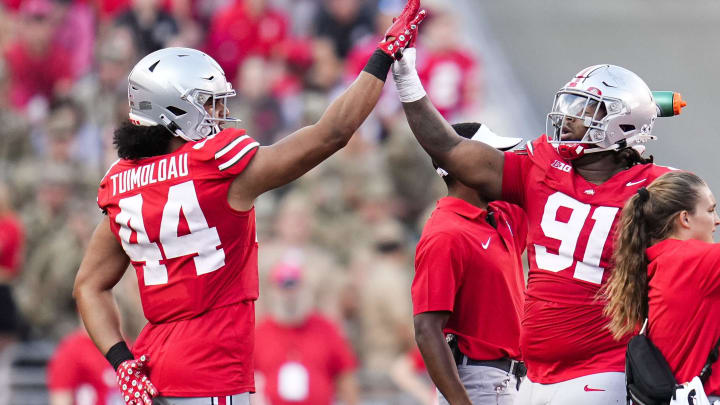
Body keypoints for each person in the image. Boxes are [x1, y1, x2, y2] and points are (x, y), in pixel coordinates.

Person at [72, 2, 427, 404]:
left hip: (154, 376)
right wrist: (382, 58)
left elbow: (88, 285)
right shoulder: (216, 169)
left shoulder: (123, 184)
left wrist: (122, 363)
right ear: (172, 109)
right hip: (209, 375)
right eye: (207, 103)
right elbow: (332, 134)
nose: (220, 113)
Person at [392, 48, 678, 404]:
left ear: (621, 123)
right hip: (534, 379)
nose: (569, 117)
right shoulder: (541, 169)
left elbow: (693, 274)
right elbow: (448, 149)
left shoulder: (659, 188)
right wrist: (407, 81)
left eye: (585, 109)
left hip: (602, 368)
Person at [411, 122, 527, 405]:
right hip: (481, 385)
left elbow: (533, 173)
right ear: (464, 167)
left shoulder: (499, 215)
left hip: (515, 381)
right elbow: (427, 330)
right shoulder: (445, 234)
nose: (501, 165)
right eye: (491, 159)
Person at [604, 171, 720, 403]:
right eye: (710, 210)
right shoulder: (692, 261)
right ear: (684, 218)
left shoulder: (656, 261)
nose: (716, 220)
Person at [254, 261, 358, 405]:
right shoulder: (259, 333)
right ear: (273, 291)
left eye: (294, 287)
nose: (289, 295)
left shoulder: (326, 329)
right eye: (283, 287)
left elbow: (345, 377)